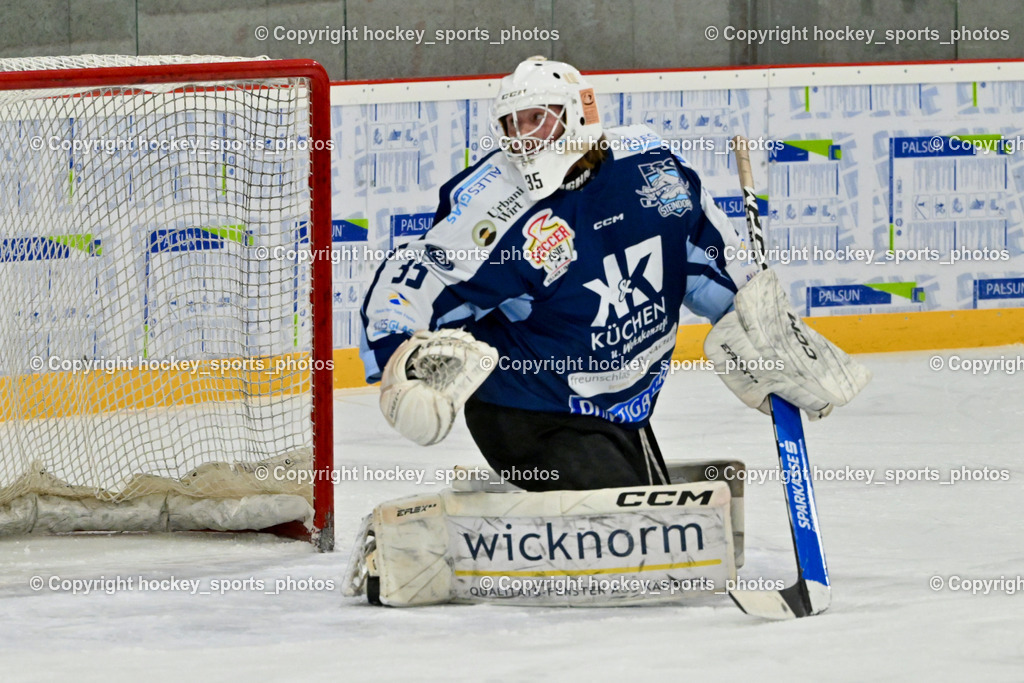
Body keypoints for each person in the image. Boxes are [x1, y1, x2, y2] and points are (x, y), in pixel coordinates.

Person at [360, 56, 869, 492]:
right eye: (512, 125)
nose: (523, 139)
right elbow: (414, 277)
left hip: (623, 410)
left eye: (537, 119)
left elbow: (702, 260)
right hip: (527, 414)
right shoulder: (495, 207)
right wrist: (399, 358)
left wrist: (760, 323)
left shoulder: (650, 168)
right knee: (653, 547)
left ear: (579, 114)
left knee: (668, 539)